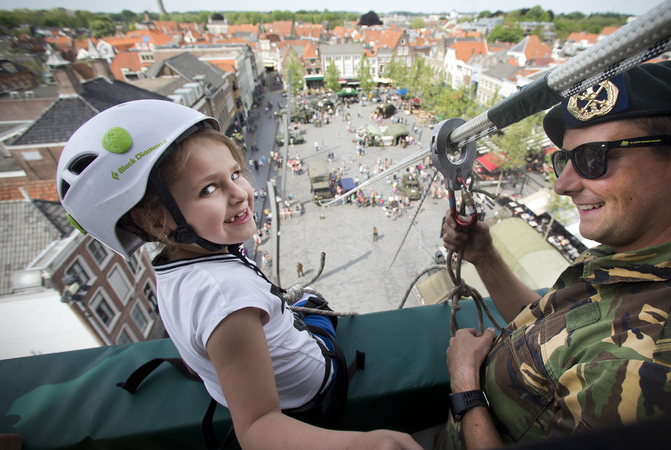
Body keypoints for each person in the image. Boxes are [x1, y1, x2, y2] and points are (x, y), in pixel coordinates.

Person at [438, 60, 671, 448]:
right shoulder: (642, 252)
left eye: (593, 158)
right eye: (565, 159)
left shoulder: (663, 371)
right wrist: (485, 255)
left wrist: (465, 386)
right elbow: (556, 329)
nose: (563, 185)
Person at [56, 100, 419, 450]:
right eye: (209, 189)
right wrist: (358, 444)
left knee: (302, 301)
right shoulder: (226, 299)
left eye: (234, 174)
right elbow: (258, 428)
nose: (241, 194)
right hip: (317, 390)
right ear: (155, 220)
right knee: (314, 302)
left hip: (257, 374)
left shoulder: (180, 267)